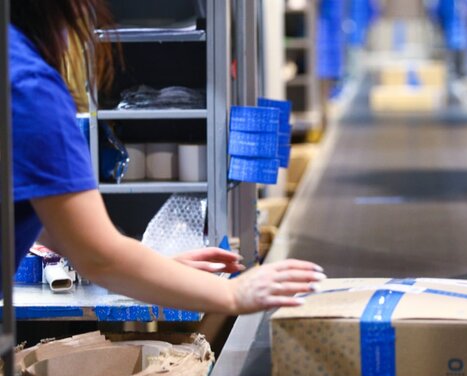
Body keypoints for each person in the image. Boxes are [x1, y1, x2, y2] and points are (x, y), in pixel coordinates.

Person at [6, 0, 324, 314]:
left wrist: (154, 269)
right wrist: (232, 293)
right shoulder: (30, 87)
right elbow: (97, 257)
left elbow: (60, 229)